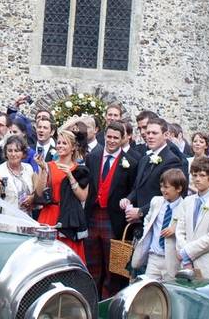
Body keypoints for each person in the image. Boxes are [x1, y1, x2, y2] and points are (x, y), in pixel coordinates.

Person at [83, 120, 137, 298]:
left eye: (116, 138)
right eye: (109, 137)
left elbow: (133, 190)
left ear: (123, 139)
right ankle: (91, 301)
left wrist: (127, 201)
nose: (112, 141)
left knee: (112, 270)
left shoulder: (131, 162)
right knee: (92, 266)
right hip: (92, 217)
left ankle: (108, 305)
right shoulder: (92, 157)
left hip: (114, 221)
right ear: (104, 136)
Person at [119, 117, 185, 229]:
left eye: (154, 133)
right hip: (139, 224)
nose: (149, 136)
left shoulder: (172, 160)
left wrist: (141, 211)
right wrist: (128, 199)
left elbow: (168, 194)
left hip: (158, 222)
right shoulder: (145, 159)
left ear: (166, 135)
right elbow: (137, 187)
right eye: (148, 133)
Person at [36, 129, 89, 261]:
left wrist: (71, 177)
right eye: (58, 142)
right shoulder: (48, 166)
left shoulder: (80, 170)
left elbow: (83, 197)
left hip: (68, 217)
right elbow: (39, 192)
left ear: (73, 148)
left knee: (67, 257)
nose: (60, 145)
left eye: (64, 143)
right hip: (49, 215)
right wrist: (43, 170)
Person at [174, 156, 209, 280]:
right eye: (195, 175)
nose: (197, 179)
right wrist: (183, 253)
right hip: (185, 265)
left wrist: (187, 252)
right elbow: (180, 230)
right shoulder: (187, 201)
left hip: (208, 268)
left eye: (202, 175)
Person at [130, 168, 186, 281]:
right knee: (149, 290)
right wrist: (147, 231)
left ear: (179, 188)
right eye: (161, 186)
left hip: (171, 259)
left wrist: (175, 229)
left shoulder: (185, 206)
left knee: (169, 292)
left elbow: (187, 228)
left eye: (166, 187)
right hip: (154, 257)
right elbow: (148, 219)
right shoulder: (156, 201)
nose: (162, 190)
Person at [0, 136, 36, 232]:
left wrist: (32, 198)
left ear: (23, 153)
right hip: (6, 225)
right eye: (10, 150)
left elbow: (34, 191)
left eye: (17, 151)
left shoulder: (28, 169)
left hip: (27, 222)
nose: (13, 154)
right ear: (5, 152)